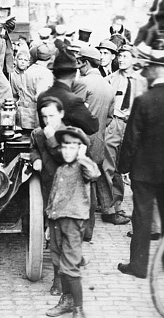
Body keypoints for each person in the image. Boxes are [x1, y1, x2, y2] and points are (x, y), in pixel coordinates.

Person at [117, 49, 164, 279]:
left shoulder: (143, 100)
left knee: (142, 217)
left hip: (145, 172)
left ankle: (139, 267)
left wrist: (123, 167)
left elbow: (132, 139)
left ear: (157, 70)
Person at [44, 126, 100, 318]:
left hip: (73, 223)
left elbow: (94, 174)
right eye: (65, 146)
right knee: (59, 262)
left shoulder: (83, 167)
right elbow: (54, 197)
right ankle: (67, 300)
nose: (68, 151)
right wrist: (47, 223)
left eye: (73, 146)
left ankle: (78, 308)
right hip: (56, 221)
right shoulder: (61, 169)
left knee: (70, 265)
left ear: (81, 148)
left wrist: (83, 157)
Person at [72, 46, 115, 240]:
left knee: (81, 186)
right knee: (91, 183)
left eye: (80, 62)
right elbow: (109, 117)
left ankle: (82, 230)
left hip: (82, 141)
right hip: (99, 140)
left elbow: (74, 113)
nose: (78, 66)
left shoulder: (82, 83)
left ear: (86, 63)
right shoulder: (108, 85)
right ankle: (88, 230)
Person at [101, 45, 147, 225]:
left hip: (135, 126)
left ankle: (136, 210)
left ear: (134, 58)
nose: (120, 59)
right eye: (119, 56)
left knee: (130, 167)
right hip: (115, 124)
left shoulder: (142, 81)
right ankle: (112, 208)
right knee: (109, 167)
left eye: (125, 56)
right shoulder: (110, 79)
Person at [30, 97, 67, 296]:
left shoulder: (69, 134)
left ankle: (59, 281)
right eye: (44, 117)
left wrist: (52, 138)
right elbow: (33, 147)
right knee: (53, 236)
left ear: (61, 114)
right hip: (47, 186)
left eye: (51, 116)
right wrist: (35, 158)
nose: (47, 121)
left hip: (66, 191)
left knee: (60, 238)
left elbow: (65, 158)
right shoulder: (37, 133)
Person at [37, 50, 99, 136]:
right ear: (74, 75)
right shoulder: (73, 100)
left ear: (54, 74)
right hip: (67, 146)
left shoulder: (42, 96)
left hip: (46, 146)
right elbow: (93, 127)